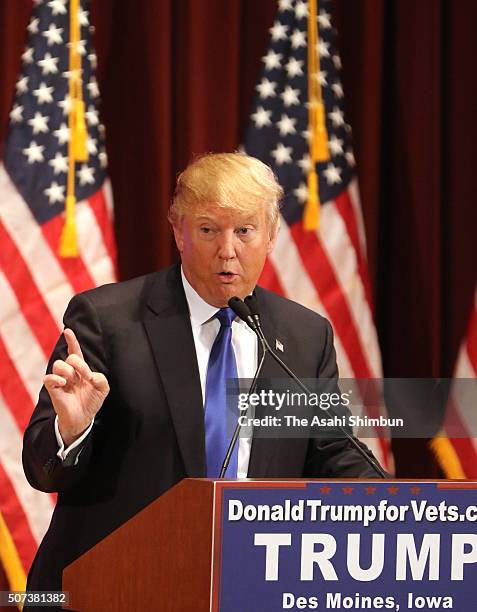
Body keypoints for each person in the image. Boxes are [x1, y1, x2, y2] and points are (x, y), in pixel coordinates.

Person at [23, 152, 384, 592]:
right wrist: (72, 430)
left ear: (270, 237)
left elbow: (334, 454)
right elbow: (43, 471)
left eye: (245, 231)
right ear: (179, 232)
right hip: (118, 585)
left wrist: (391, 507)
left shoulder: (305, 337)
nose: (227, 250)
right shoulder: (107, 320)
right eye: (208, 229)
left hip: (247, 586)